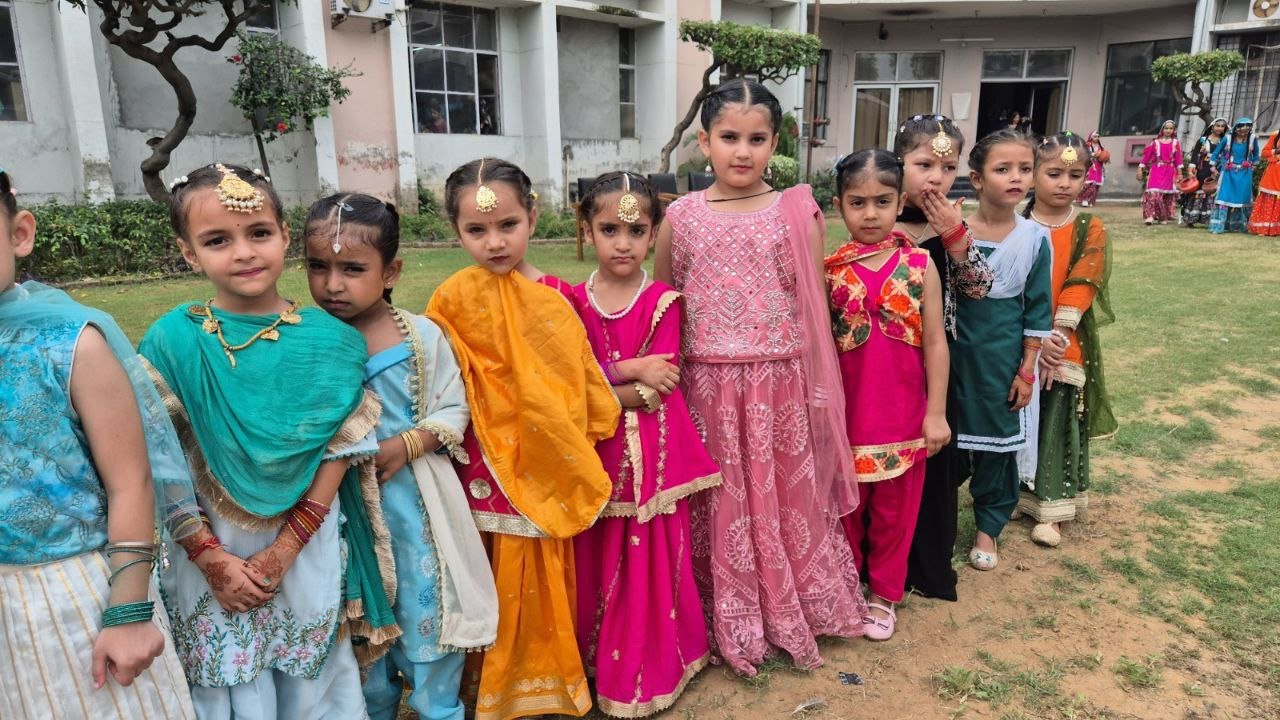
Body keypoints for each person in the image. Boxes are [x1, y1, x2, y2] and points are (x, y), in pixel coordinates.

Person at [140, 163, 397, 719]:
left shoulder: (333, 341)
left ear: (284, 235)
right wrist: (210, 558)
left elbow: (341, 452)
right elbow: (161, 459)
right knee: (227, 674)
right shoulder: (172, 338)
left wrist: (284, 551)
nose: (244, 252)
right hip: (207, 537)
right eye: (217, 240)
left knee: (307, 673)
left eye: (259, 233)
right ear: (188, 253)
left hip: (303, 539)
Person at [655, 79, 867, 677]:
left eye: (757, 139)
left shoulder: (797, 210)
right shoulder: (682, 215)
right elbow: (667, 302)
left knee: (780, 496)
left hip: (779, 382)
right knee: (717, 501)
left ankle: (786, 605)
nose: (742, 152)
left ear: (776, 143)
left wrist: (817, 389)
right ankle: (721, 612)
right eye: (728, 137)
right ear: (704, 142)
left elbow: (811, 307)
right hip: (705, 385)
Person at [425, 158, 620, 720]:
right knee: (486, 566)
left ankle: (543, 677)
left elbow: (581, 383)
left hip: (543, 455)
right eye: (476, 230)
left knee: (535, 564)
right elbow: (444, 380)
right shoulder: (450, 299)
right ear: (456, 231)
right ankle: (485, 679)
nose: (494, 242)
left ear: (532, 218)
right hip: (481, 460)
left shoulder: (557, 296)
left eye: (507, 224)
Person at [0, 169, 199, 718]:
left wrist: (129, 611)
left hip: (64, 598)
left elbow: (130, 481)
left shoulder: (71, 344)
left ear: (19, 233)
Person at [303, 194, 498, 720]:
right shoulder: (301, 336)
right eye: (318, 267)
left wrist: (405, 444)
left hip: (412, 505)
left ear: (390, 270)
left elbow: (454, 408)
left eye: (352, 269)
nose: (333, 284)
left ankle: (438, 705)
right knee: (354, 610)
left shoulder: (420, 336)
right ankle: (372, 705)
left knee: (422, 598)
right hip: (334, 511)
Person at [570, 172, 721, 716]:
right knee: (595, 556)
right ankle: (592, 661)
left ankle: (649, 665)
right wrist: (626, 369)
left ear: (655, 234)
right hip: (593, 458)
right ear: (586, 230)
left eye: (637, 230)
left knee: (645, 557)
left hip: (650, 463)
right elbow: (569, 381)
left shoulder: (664, 300)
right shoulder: (570, 302)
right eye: (609, 228)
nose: (623, 242)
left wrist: (601, 383)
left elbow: (657, 389)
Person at [825, 149, 950, 640]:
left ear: (901, 203)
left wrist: (935, 413)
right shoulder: (829, 269)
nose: (870, 213)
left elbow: (937, 341)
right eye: (858, 202)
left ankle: (883, 594)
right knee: (846, 511)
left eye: (882, 201)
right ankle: (846, 587)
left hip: (903, 418)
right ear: (840, 206)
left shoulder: (919, 264)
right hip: (847, 418)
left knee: (895, 515)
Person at [891, 114, 997, 602]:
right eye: (923, 164)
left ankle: (926, 562)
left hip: (936, 361)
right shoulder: (874, 217)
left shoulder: (954, 223)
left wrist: (953, 235)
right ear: (899, 163)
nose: (935, 177)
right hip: (882, 362)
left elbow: (979, 288)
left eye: (947, 166)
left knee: (933, 462)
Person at [955, 130, 1053, 571]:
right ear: (976, 178)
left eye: (1025, 169)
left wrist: (1027, 370)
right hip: (954, 358)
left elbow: (1037, 308)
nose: (1016, 177)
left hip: (1002, 360)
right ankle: (932, 525)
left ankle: (987, 529)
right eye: (1003, 169)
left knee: (997, 449)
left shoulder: (1033, 239)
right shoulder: (953, 233)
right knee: (946, 444)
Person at [1019, 133, 1117, 548]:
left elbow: (1083, 279)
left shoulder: (1088, 227)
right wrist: (1031, 342)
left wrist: (1055, 337)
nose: (1064, 183)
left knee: (1057, 417)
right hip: (1017, 338)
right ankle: (1012, 494)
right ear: (1033, 175)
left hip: (1064, 338)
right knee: (1018, 416)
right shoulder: (1016, 221)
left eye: (1075, 175)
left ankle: (1052, 507)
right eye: (1054, 173)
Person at [1209, 118, 1259, 234]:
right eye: (1241, 131)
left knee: (1243, 199)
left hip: (1245, 172)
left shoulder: (1252, 139)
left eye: (1246, 131)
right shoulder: (1227, 138)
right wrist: (1213, 166)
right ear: (1236, 129)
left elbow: (1256, 154)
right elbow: (1216, 153)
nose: (1244, 133)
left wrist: (1254, 166)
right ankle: (1219, 226)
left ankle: (1238, 226)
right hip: (1228, 172)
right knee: (1224, 197)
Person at [1181, 118, 1227, 228]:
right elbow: (1195, 154)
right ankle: (1191, 218)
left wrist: (1219, 169)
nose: (1220, 128)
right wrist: (1191, 169)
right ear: (1212, 127)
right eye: (1217, 125)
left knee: (1212, 191)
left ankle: (1209, 220)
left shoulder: (1225, 141)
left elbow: (1226, 156)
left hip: (1217, 168)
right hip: (1202, 168)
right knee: (1198, 191)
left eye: (1222, 126)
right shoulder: (1203, 140)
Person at [1138, 120, 1183, 225]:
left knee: (1166, 196)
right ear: (1162, 129)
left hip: (1169, 171)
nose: (1168, 130)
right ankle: (1150, 216)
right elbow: (1147, 157)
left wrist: (1180, 173)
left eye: (1171, 128)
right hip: (1156, 170)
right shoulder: (1155, 142)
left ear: (1173, 130)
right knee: (1153, 193)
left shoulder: (1176, 143)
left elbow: (1178, 159)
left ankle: (1162, 217)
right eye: (1166, 128)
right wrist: (1140, 168)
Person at [1247, 129, 1280, 236]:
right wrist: (1276, 151)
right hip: (1274, 172)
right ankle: (1264, 228)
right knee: (1270, 197)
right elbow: (1264, 153)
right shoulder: (1276, 135)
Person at [1077, 131, 1107, 207]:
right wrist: (1094, 154)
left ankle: (1091, 200)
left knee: (1096, 185)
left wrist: (1105, 158)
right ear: (1091, 137)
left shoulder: (1100, 146)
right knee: (1090, 183)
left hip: (1099, 166)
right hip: (1091, 165)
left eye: (1098, 136)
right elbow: (1085, 154)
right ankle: (1084, 199)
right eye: (1095, 136)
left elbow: (1103, 156)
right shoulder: (1088, 145)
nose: (1097, 138)